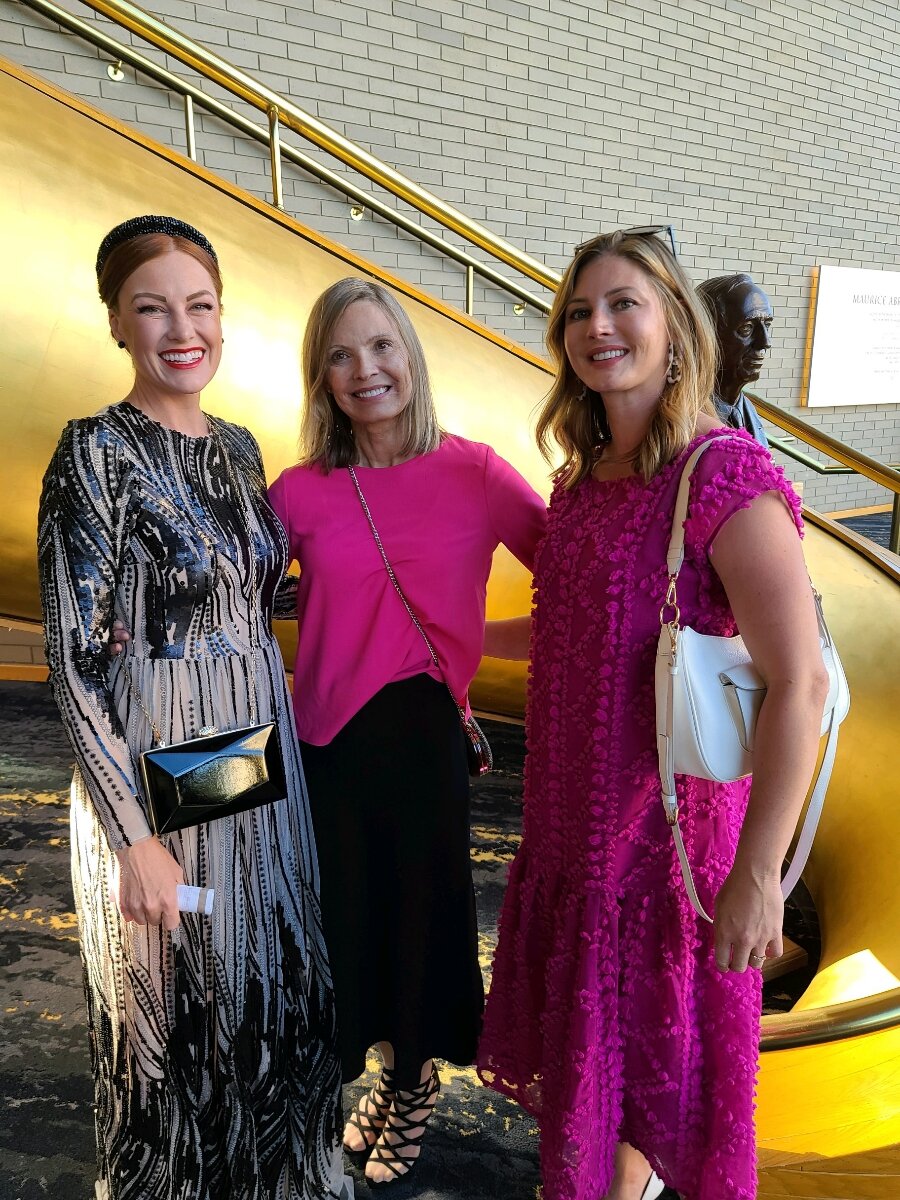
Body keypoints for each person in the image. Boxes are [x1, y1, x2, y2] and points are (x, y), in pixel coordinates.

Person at [477, 231, 829, 1200]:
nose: (599, 326)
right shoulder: (584, 482)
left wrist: (760, 876)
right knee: (608, 1099)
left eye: (623, 303)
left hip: (665, 861)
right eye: (580, 311)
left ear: (673, 324)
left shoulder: (726, 476)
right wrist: (452, 634)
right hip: (572, 850)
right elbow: (568, 631)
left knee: (650, 1101)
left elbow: (799, 682)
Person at [38, 216, 347, 1200]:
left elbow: (249, 601)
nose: (183, 328)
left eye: (201, 305)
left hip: (252, 760)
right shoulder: (92, 453)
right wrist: (135, 839)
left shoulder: (244, 450)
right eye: (153, 307)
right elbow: (75, 660)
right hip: (155, 769)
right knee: (166, 1030)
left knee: (269, 1000)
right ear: (118, 325)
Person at [267, 276, 547, 1186]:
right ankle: (374, 1074)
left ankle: (414, 1082)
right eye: (341, 356)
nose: (366, 370)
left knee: (422, 919)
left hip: (424, 735)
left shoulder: (474, 471)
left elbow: (581, 582)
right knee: (343, 920)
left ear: (411, 356)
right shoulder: (300, 492)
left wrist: (476, 641)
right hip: (325, 743)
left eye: (381, 346)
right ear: (322, 378)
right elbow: (235, 602)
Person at [697, 273, 773, 446]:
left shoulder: (747, 409)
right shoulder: (685, 421)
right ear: (706, 336)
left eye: (767, 325)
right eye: (747, 328)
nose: (765, 342)